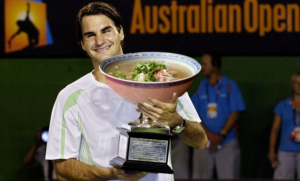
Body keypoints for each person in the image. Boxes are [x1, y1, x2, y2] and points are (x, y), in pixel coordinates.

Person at [45, 2, 208, 181]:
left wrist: (178, 122)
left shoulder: (162, 81)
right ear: (83, 44)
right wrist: (111, 173)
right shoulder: (69, 96)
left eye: (106, 30)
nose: (99, 41)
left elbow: (201, 142)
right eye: (90, 35)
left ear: (120, 32)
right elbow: (61, 169)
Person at [191, 52, 246, 179]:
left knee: (229, 176)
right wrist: (209, 135)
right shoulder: (199, 87)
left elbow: (235, 112)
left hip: (227, 142)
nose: (202, 67)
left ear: (215, 65)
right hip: (203, 142)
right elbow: (193, 115)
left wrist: (222, 134)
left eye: (205, 64)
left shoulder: (230, 85)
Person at [268, 71, 300, 180]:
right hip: (285, 151)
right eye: (296, 82)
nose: (299, 86)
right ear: (292, 85)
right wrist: (272, 150)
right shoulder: (282, 105)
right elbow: (275, 129)